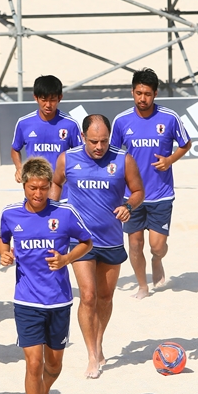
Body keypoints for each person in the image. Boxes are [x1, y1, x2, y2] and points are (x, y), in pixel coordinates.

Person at [0, 157, 92, 394]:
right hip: (26, 301)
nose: (38, 194)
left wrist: (66, 259)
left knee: (54, 365)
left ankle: (45, 390)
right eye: (32, 188)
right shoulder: (11, 214)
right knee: (33, 363)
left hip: (59, 300)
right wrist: (4, 253)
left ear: (51, 186)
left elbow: (86, 242)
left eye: (43, 188)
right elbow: (3, 239)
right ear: (23, 184)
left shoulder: (64, 213)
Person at [50, 114, 144, 378]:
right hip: (80, 240)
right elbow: (56, 184)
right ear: (82, 137)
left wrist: (127, 206)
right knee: (88, 296)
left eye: (103, 141)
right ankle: (91, 354)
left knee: (105, 297)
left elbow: (138, 191)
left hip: (112, 239)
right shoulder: (67, 159)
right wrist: (52, 217)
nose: (99, 147)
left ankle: (99, 341)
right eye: (93, 141)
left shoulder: (123, 159)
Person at [109, 68, 192, 299]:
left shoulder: (169, 117)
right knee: (135, 245)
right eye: (138, 93)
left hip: (161, 194)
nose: (142, 98)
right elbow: (113, 154)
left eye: (147, 93)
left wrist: (170, 160)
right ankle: (142, 286)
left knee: (156, 246)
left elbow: (186, 144)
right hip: (131, 195)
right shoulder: (122, 121)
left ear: (155, 93)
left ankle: (157, 260)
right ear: (132, 92)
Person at [10, 75, 82, 200]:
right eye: (44, 99)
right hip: (35, 191)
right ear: (35, 98)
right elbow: (15, 148)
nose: (48, 105)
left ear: (60, 98)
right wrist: (19, 168)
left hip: (64, 192)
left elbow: (80, 154)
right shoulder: (24, 123)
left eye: (53, 99)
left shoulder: (71, 124)